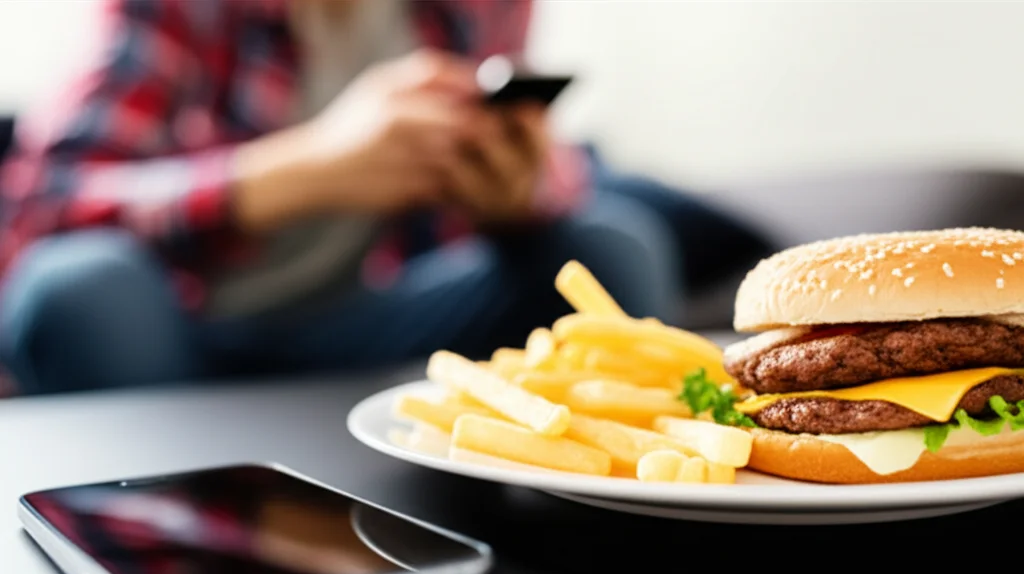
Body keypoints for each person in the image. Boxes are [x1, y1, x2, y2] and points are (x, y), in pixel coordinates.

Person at [0, 0, 774, 395]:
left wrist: (515, 191)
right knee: (79, 289)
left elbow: (550, 175)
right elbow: (37, 205)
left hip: (370, 317)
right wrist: (296, 171)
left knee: (611, 247)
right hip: (180, 331)